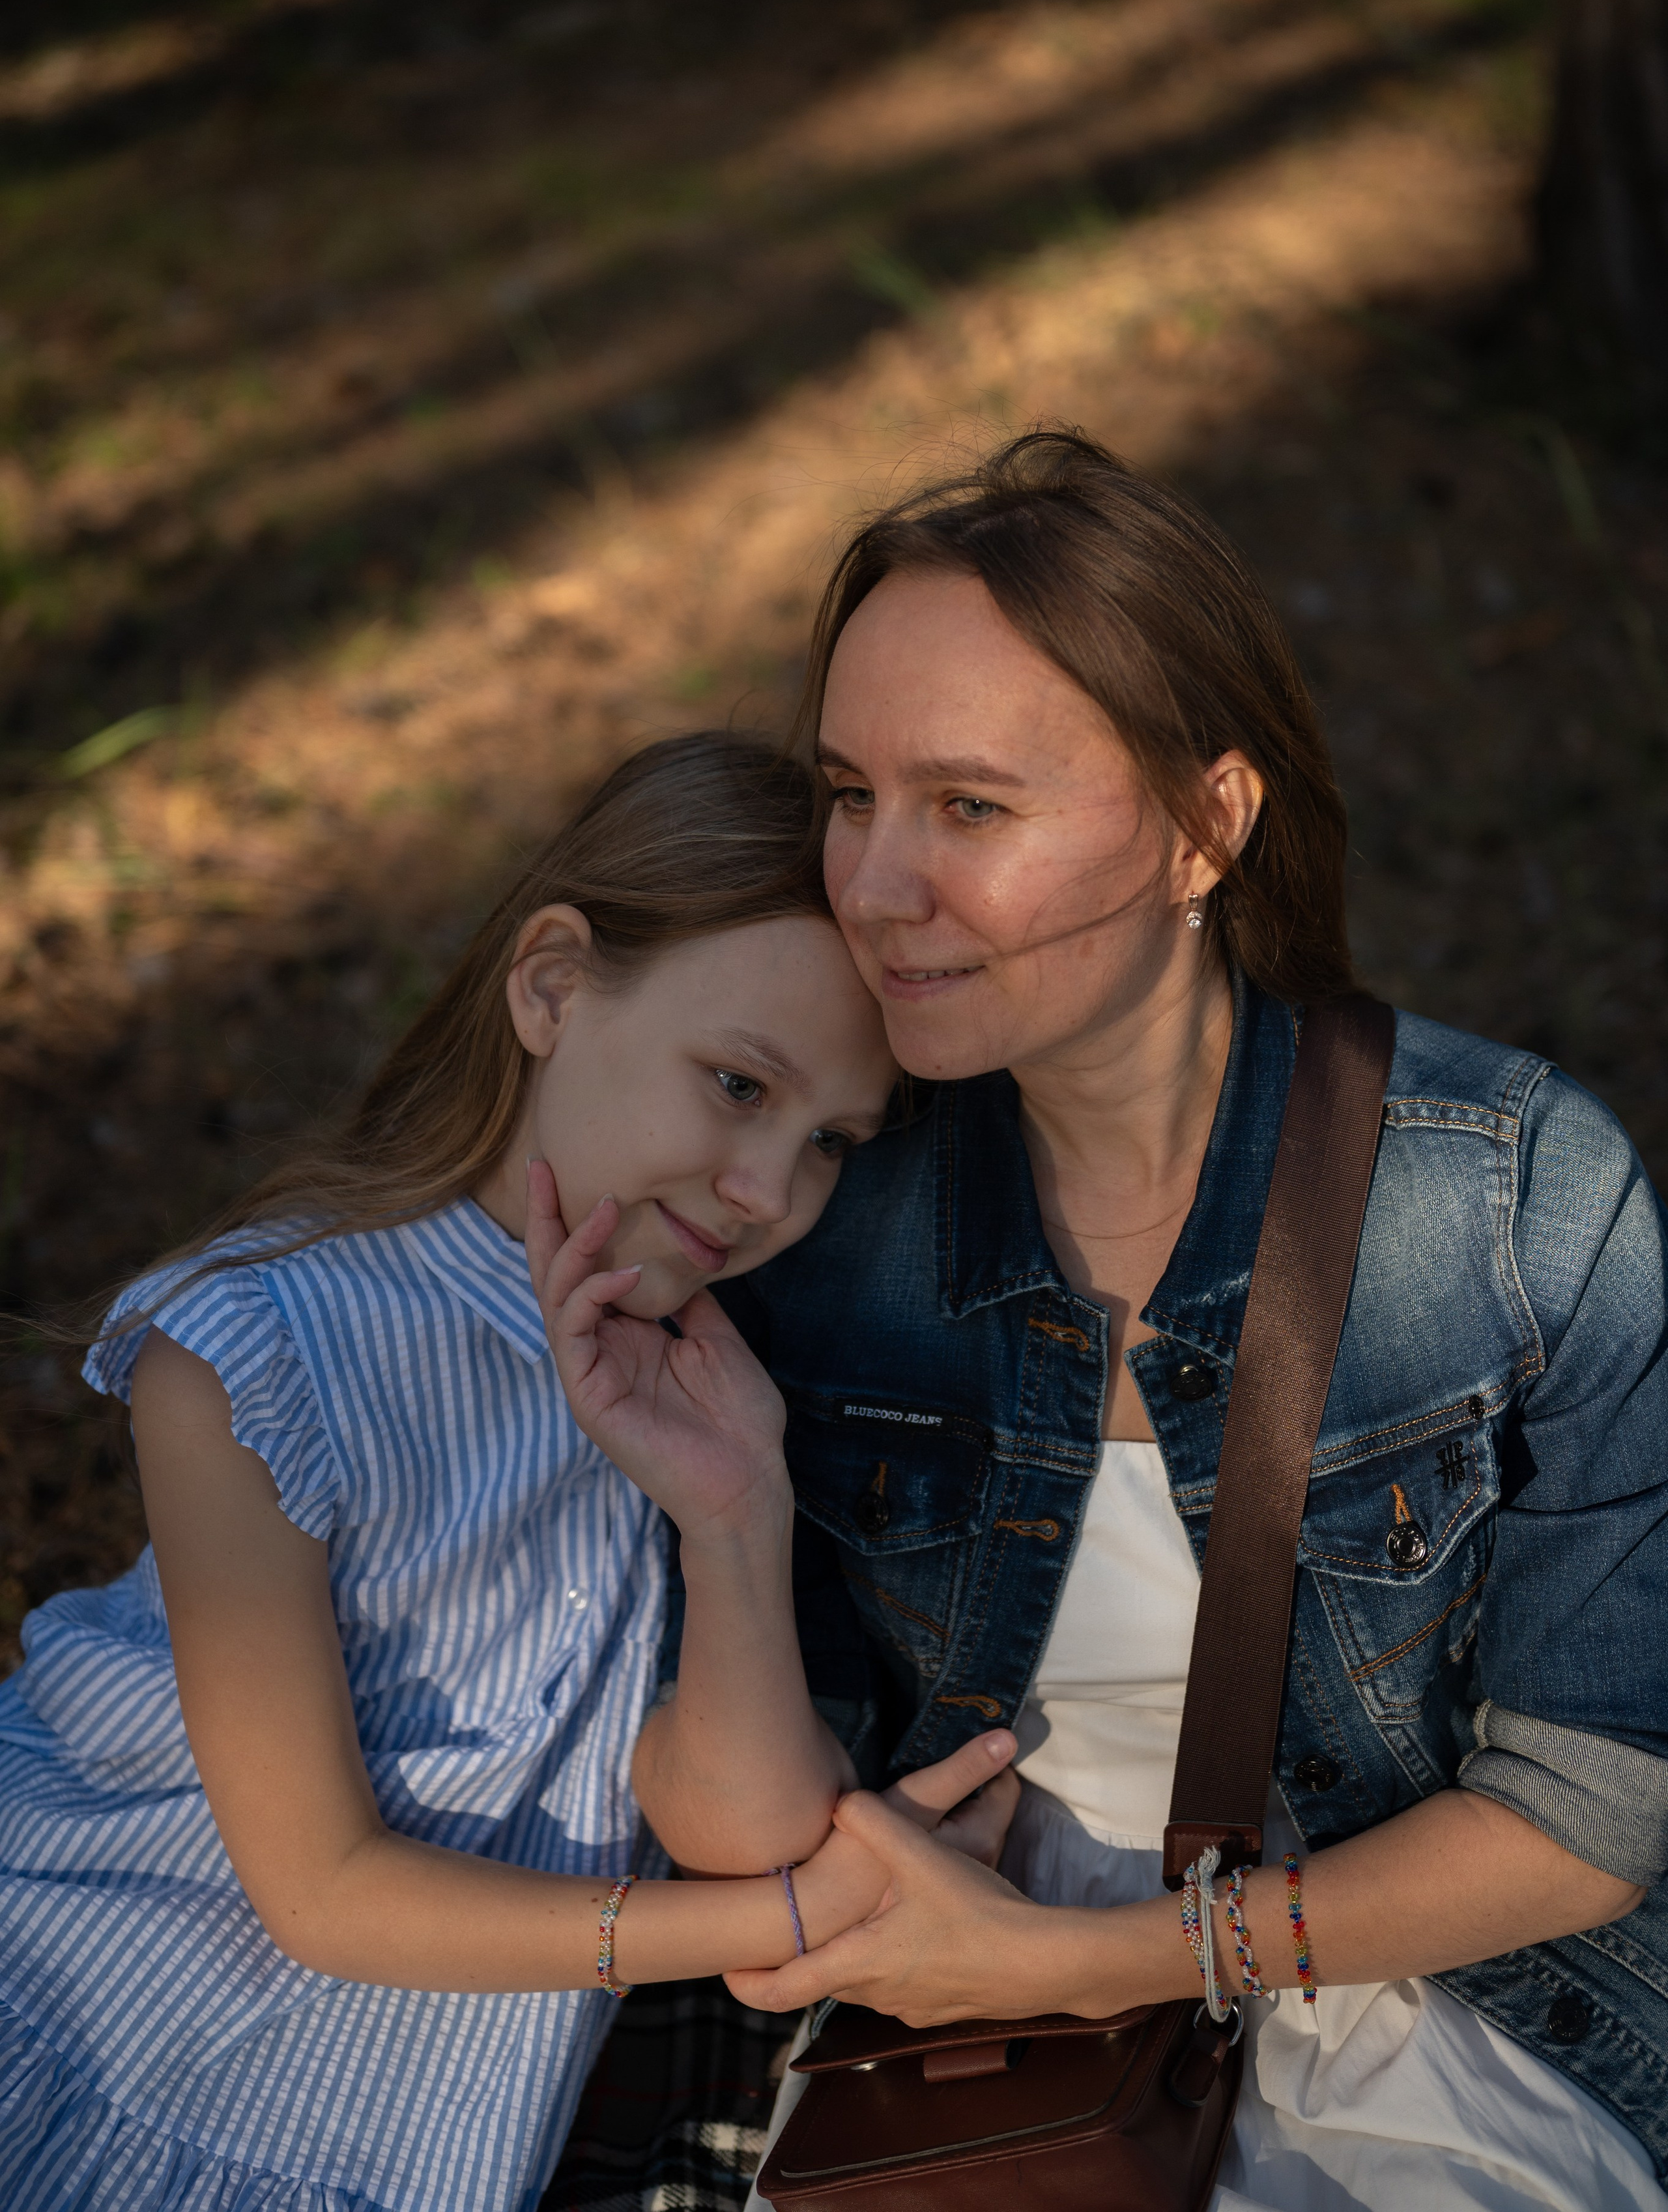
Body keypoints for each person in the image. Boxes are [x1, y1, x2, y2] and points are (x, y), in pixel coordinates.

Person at [627, 437, 1668, 2208]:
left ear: (1209, 825)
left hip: (1445, 2030)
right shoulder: (808, 1218)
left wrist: (1093, 1961)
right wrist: (728, 1530)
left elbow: (1590, 1816)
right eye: (850, 793)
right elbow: (746, 1811)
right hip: (953, 2052)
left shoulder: (1511, 1203)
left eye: (968, 807)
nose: (875, 886)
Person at [0, 731, 1013, 2212]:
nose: (766, 1191)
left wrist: (732, 1517)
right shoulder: (263, 1346)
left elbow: (744, 1821)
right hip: (104, 2043)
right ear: (550, 983)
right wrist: (788, 1917)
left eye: (829, 1144)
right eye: (737, 1084)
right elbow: (326, 1892)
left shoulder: (703, 1378)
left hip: (403, 2137)